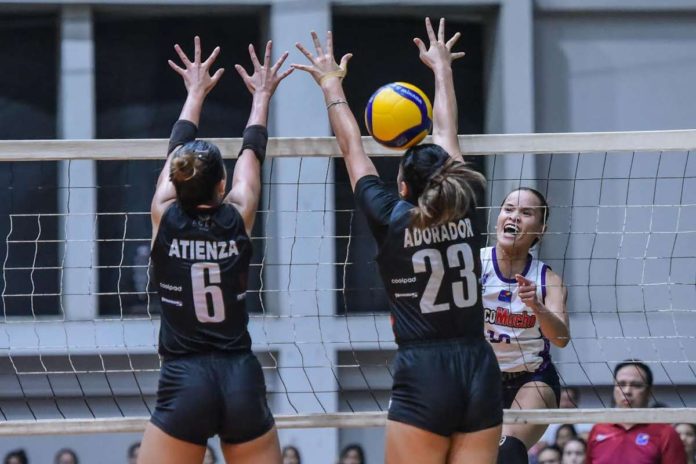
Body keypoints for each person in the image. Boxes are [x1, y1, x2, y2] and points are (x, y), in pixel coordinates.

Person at [293, 17, 502, 464]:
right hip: (480, 366)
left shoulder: (392, 217)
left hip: (425, 369)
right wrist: (441, 70)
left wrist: (331, 85)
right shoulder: (467, 197)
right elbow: (447, 133)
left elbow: (353, 149)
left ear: (403, 186)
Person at [137, 36, 292, 464]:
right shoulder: (238, 214)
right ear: (222, 187)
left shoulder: (163, 214)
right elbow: (252, 154)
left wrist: (194, 94)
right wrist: (261, 97)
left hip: (185, 378)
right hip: (239, 375)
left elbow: (176, 156)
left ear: (177, 182)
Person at [482, 186, 570, 464]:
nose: (515, 216)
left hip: (532, 378)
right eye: (509, 209)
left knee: (506, 450)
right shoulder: (472, 265)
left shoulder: (548, 280)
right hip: (479, 379)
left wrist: (537, 307)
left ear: (540, 229)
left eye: (526, 212)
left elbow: (561, 338)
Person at [586, 360, 686, 464]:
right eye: (621, 384)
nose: (627, 391)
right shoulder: (598, 429)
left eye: (636, 385)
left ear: (649, 391)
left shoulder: (666, 433)